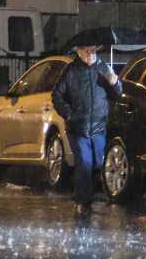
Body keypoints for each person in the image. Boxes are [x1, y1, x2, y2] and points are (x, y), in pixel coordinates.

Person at [52, 45, 122, 215]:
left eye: (93, 51)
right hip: (78, 127)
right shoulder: (71, 72)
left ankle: (89, 193)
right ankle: (82, 201)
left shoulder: (103, 68)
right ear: (78, 52)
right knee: (84, 162)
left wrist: (115, 83)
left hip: (99, 127)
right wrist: (69, 115)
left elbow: (117, 94)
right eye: (86, 51)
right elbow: (57, 96)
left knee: (98, 162)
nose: (90, 54)